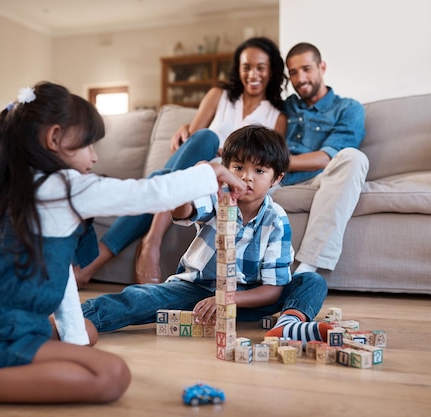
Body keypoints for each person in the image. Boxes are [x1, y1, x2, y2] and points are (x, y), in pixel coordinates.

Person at [0, 82, 246, 403]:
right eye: (88, 145)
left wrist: (75, 340)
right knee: (111, 376)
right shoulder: (64, 187)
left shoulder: (21, 187)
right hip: (8, 330)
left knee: (86, 333)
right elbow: (146, 195)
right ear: (55, 139)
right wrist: (209, 173)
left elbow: (59, 275)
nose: (94, 157)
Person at [82, 125, 334, 348]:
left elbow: (272, 289)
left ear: (277, 178)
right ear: (227, 169)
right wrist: (194, 180)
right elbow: (183, 210)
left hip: (249, 301)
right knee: (141, 297)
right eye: (238, 168)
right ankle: (74, 319)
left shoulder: (276, 219)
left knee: (311, 281)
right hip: (197, 291)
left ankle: (289, 324)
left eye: (259, 170)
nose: (246, 177)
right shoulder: (217, 197)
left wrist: (226, 299)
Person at [75, 36, 288, 287]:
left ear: (272, 70)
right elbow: (194, 140)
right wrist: (197, 140)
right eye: (246, 67)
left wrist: (229, 156)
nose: (253, 74)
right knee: (206, 137)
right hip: (197, 167)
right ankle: (150, 241)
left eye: (260, 67)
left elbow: (269, 157)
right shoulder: (219, 95)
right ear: (238, 69)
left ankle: (133, 248)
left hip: (226, 175)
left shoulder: (278, 114)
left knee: (158, 179)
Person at [276, 42, 368, 274]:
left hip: (322, 179)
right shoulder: (284, 108)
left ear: (322, 67)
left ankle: (307, 268)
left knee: (354, 158)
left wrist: (277, 161)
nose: (300, 78)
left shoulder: (348, 108)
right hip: (274, 178)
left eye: (306, 69)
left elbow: (327, 158)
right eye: (293, 72)